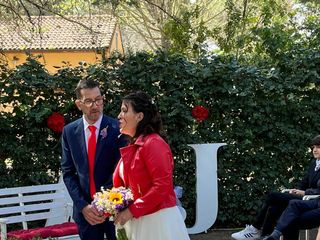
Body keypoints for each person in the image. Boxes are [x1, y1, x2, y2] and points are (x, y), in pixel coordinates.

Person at [112, 91, 190, 240]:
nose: (119, 116)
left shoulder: (153, 143)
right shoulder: (134, 145)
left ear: (139, 116)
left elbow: (163, 186)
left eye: (124, 110)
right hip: (137, 221)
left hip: (156, 222)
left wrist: (132, 211)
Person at [61, 78, 127, 240]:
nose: (95, 105)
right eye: (89, 101)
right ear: (79, 104)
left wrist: (103, 204)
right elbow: (68, 173)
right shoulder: (69, 132)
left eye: (98, 100)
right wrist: (83, 206)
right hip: (85, 213)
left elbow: (120, 170)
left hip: (114, 209)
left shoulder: (118, 129)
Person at [231, 135, 320, 240]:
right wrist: (296, 191)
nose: (314, 150)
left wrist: (304, 193)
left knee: (273, 196)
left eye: (318, 147)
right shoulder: (314, 163)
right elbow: (304, 182)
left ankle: (256, 228)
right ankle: (265, 235)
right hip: (305, 197)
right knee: (275, 206)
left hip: (312, 199)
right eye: (313, 147)